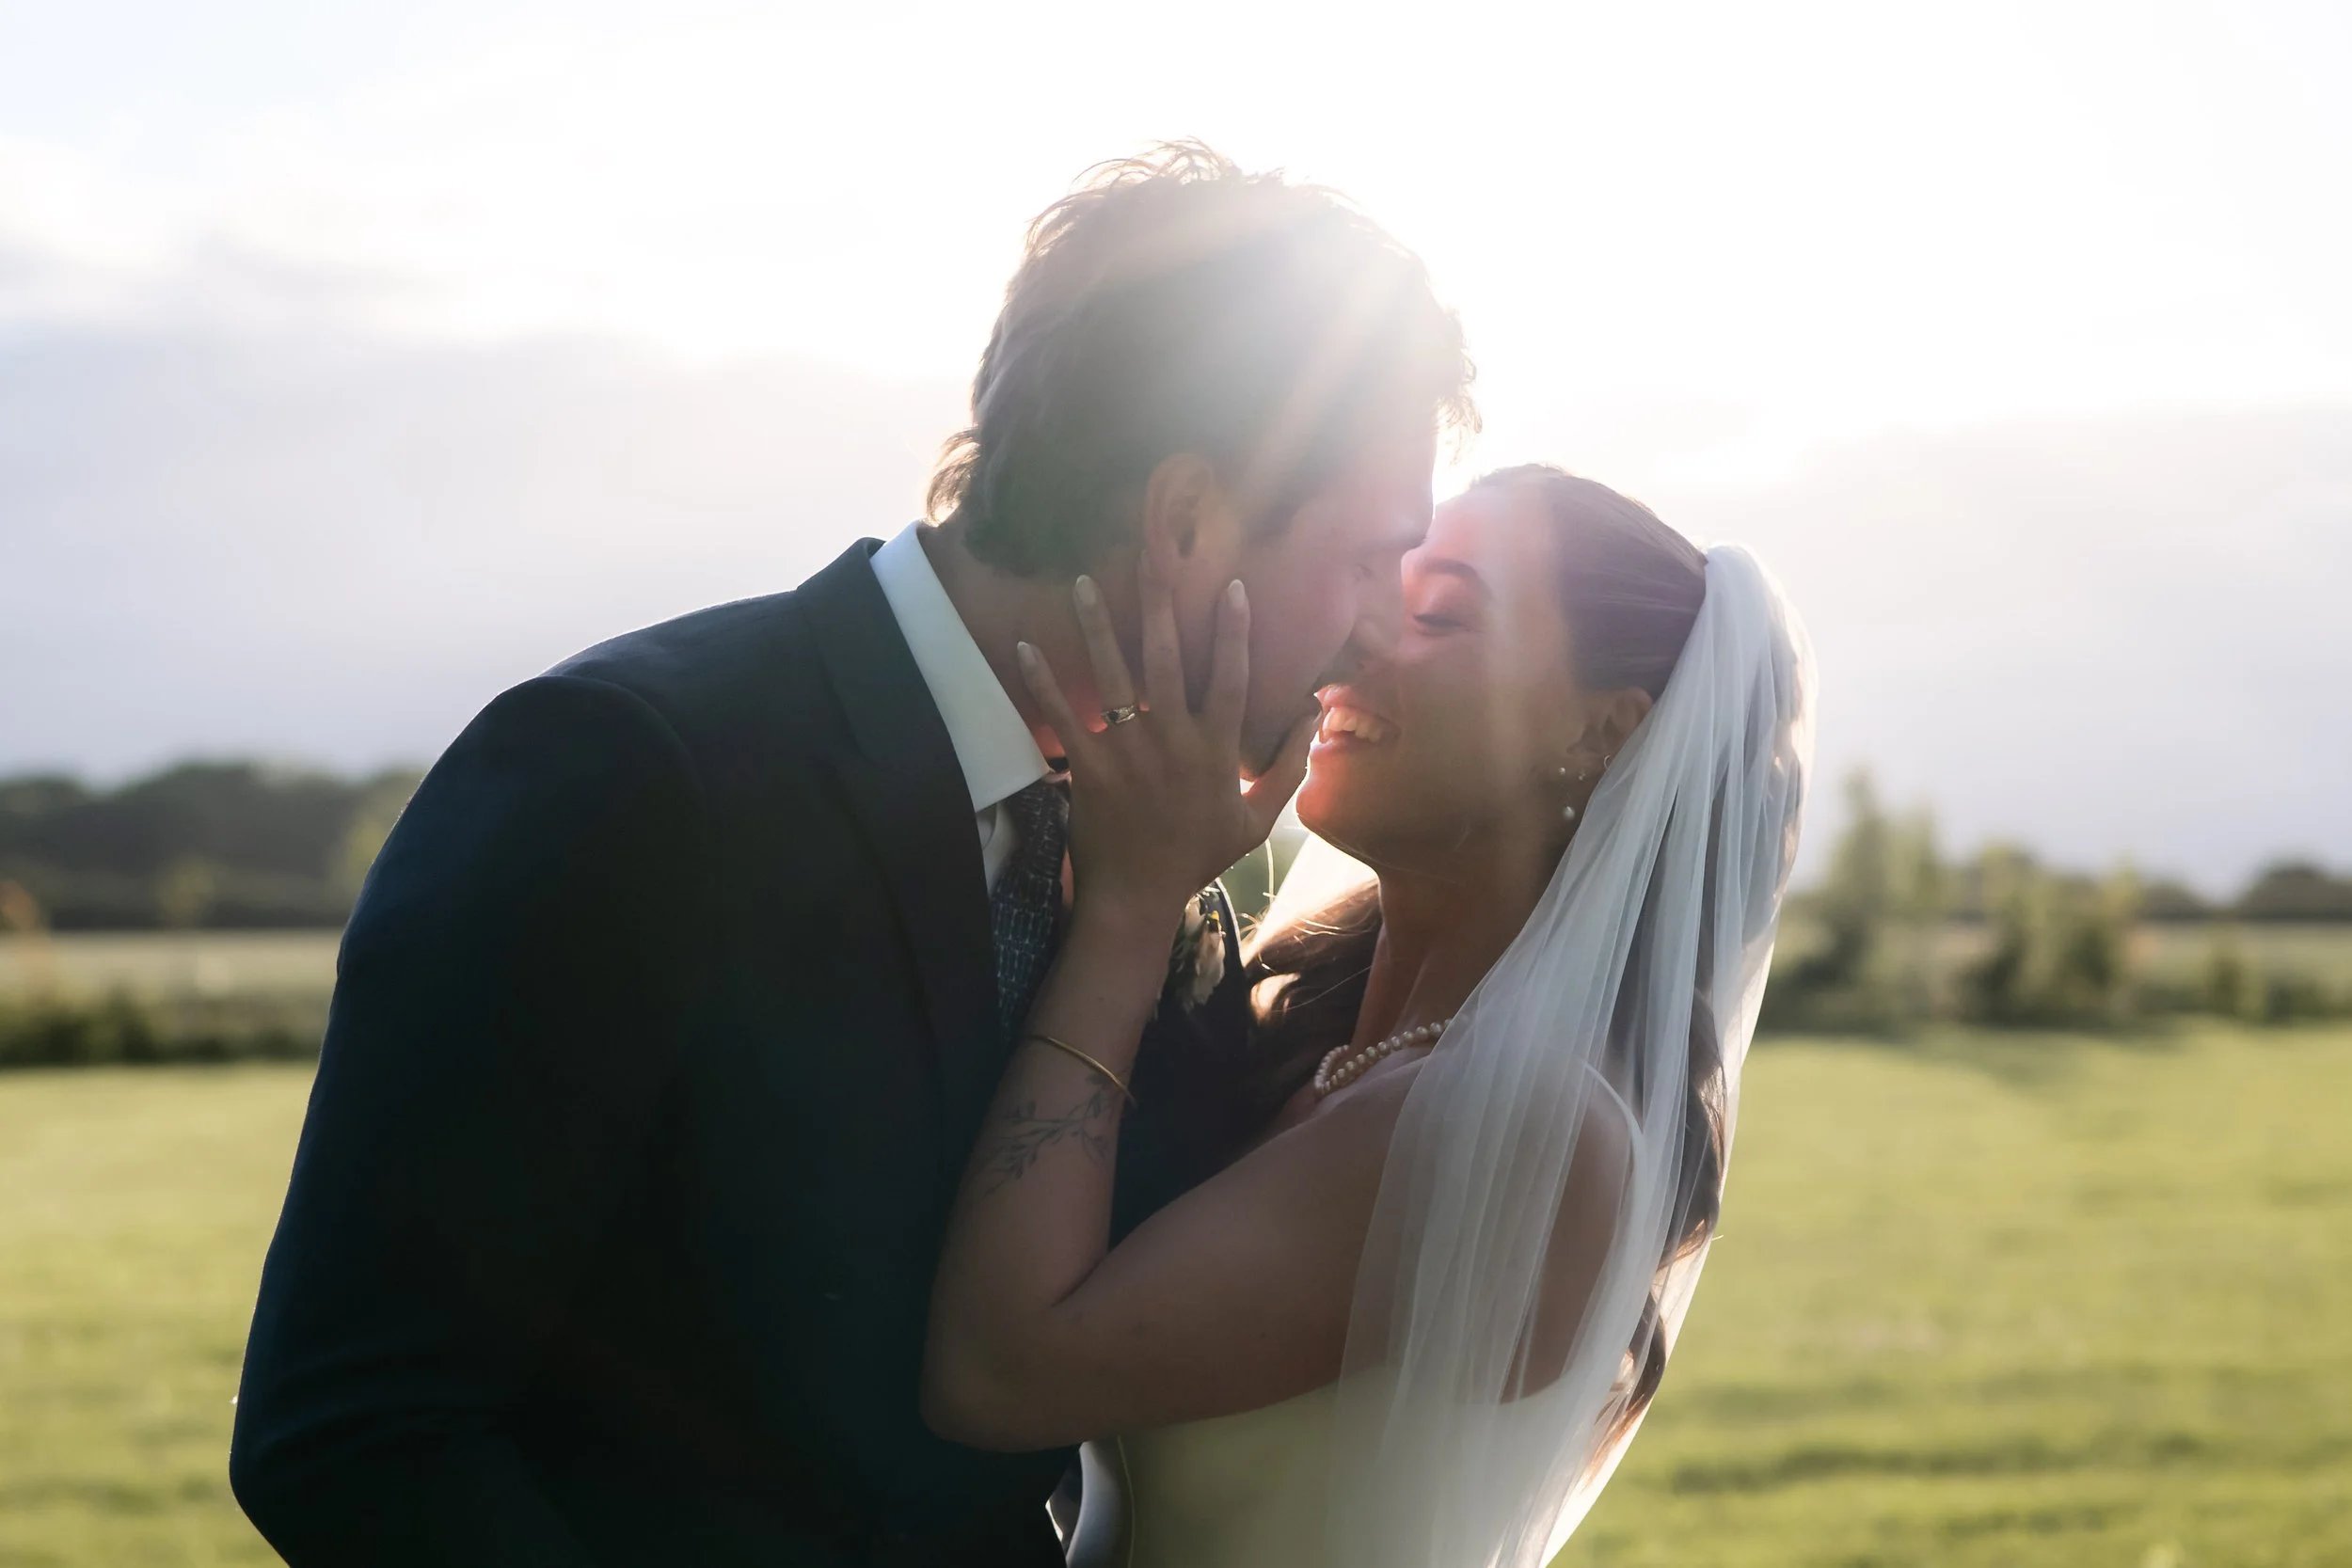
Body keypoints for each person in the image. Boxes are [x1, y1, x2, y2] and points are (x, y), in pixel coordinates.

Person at [227, 143, 1474, 1567]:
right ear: (1185, 520)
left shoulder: (1163, 865)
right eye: (1372, 555)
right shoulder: (629, 772)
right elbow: (358, 1430)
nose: (1381, 624)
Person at [922, 466, 1815, 1567]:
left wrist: (1130, 902)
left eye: (1437, 612)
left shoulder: (1529, 1122)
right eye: (1375, 583)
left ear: (1600, 733)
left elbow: (999, 1373)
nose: (1354, 637)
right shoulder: (1329, 1042)